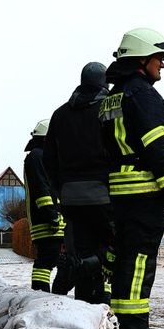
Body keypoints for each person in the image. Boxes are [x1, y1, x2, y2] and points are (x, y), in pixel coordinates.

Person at [100, 28, 164, 329]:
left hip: (116, 192)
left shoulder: (111, 97)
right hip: (143, 192)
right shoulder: (144, 95)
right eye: (158, 58)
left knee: (123, 260)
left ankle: (116, 326)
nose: (162, 65)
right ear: (141, 60)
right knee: (139, 262)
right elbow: (158, 150)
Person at [44, 61, 113, 304]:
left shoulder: (60, 114)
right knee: (113, 251)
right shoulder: (108, 110)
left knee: (82, 247)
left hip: (71, 198)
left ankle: (83, 303)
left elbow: (49, 158)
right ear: (104, 83)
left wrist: (60, 189)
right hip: (104, 195)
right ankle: (104, 306)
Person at [23, 119, 67, 291]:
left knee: (55, 260)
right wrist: (50, 214)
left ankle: (51, 297)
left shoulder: (43, 156)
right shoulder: (37, 156)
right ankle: (41, 297)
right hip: (46, 221)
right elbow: (41, 188)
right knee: (46, 261)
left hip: (51, 219)